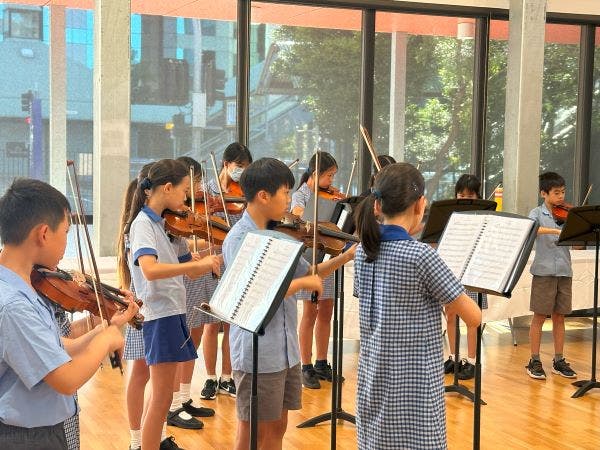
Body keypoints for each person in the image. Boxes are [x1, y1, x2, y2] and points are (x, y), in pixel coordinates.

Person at [223, 157, 355, 450]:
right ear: (263, 196)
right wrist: (302, 285)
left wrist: (344, 257)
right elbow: (253, 295)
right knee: (251, 431)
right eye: (285, 193)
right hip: (258, 352)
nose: (288, 200)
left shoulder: (280, 234)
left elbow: (308, 273)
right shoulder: (239, 238)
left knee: (278, 426)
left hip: (285, 350)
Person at [0, 178, 139, 449]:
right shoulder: (13, 305)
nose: (66, 242)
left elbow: (55, 348)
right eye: (65, 232)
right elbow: (66, 379)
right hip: (26, 439)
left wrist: (102, 329)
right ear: (43, 233)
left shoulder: (20, 286)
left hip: (37, 432)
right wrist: (106, 340)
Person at [353, 163, 481, 449]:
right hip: (414, 384)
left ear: (377, 206)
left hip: (374, 376)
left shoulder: (363, 251)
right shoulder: (421, 255)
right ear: (420, 204)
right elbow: (473, 317)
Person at [126, 159, 221, 449]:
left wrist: (212, 258)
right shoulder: (143, 224)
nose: (187, 198)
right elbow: (150, 269)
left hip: (172, 312)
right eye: (184, 191)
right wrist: (196, 264)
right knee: (161, 398)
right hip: (160, 314)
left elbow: (189, 269)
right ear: (167, 188)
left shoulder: (160, 224)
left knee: (163, 397)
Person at [200, 142, 253, 401]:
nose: (241, 172)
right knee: (212, 323)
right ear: (225, 164)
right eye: (238, 166)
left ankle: (227, 377)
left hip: (236, 261)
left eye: (246, 168)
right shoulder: (207, 191)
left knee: (231, 324)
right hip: (214, 260)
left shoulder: (244, 194)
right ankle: (210, 377)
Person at [290, 151, 340, 389]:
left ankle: (321, 362)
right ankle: (306, 365)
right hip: (309, 258)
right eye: (329, 175)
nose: (331, 181)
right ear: (316, 173)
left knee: (326, 310)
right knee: (310, 312)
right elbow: (298, 218)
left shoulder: (330, 196)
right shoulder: (300, 195)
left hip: (328, 254)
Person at [526, 172, 577, 380]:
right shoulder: (536, 213)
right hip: (544, 272)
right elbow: (531, 229)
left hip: (564, 270)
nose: (561, 197)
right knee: (539, 316)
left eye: (563, 192)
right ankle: (534, 360)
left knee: (559, 316)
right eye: (556, 193)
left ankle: (558, 360)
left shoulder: (567, 213)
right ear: (544, 193)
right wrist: (555, 232)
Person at [443, 174, 488, 380]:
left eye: (470, 196)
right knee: (450, 315)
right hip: (452, 270)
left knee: (472, 318)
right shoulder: (449, 217)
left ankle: (471, 361)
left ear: (478, 197)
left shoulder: (483, 218)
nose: (464, 199)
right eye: (460, 195)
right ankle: (453, 357)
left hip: (474, 272)